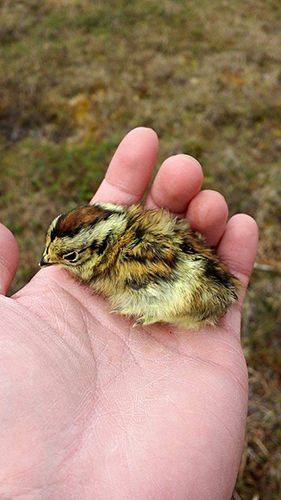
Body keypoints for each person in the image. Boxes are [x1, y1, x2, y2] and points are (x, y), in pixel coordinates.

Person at [0, 127, 258, 499]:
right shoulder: (130, 235)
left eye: (69, 257)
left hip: (197, 297)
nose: (48, 263)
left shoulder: (125, 266)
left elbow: (187, 285)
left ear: (100, 248)